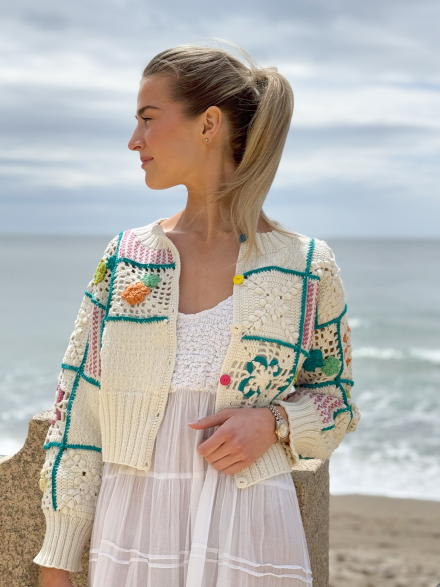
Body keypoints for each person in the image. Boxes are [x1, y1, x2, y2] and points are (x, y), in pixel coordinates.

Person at [34, 40, 360, 587]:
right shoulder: (126, 259)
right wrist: (58, 556)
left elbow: (338, 401)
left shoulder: (305, 267)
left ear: (208, 124)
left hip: (253, 532)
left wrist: (276, 423)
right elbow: (78, 410)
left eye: (148, 118)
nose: (134, 140)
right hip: (133, 534)